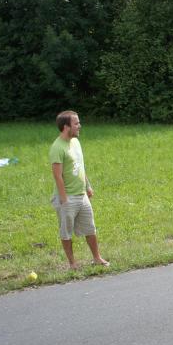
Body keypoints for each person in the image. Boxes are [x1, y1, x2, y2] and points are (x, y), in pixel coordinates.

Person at [50, 110, 109, 269]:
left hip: (82, 195)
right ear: (66, 127)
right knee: (66, 232)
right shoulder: (57, 147)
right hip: (67, 197)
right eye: (76, 123)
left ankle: (97, 258)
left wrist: (87, 186)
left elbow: (80, 167)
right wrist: (64, 199)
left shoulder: (76, 142)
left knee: (90, 228)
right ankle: (72, 263)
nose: (79, 126)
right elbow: (57, 176)